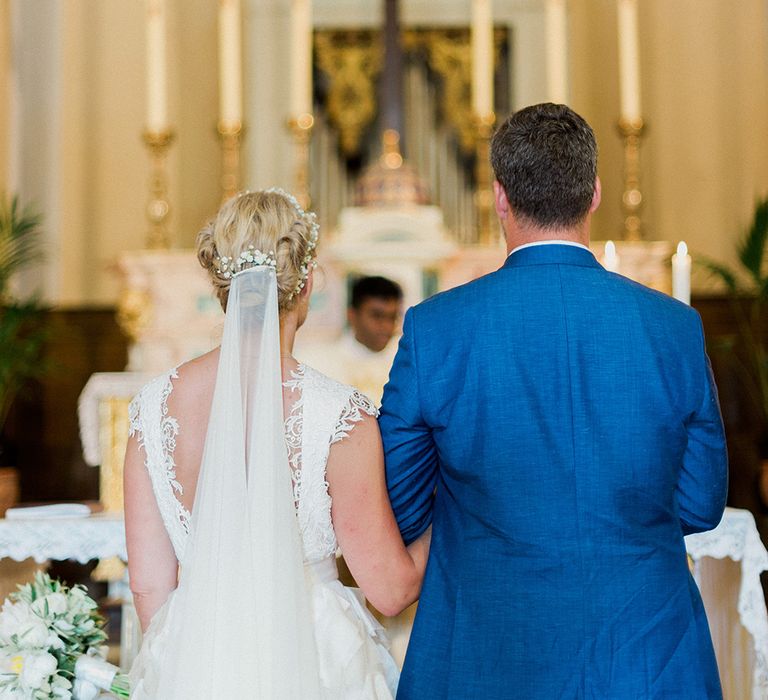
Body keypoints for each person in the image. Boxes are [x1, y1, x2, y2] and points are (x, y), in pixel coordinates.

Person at [379, 103, 728, 699]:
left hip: (486, 657)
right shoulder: (673, 327)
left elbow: (402, 508)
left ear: (499, 197)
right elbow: (700, 503)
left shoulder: (436, 329)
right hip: (645, 656)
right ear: (594, 193)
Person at [124, 189, 431, 699]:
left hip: (196, 659)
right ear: (307, 283)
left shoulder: (149, 411)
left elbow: (148, 588)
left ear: (220, 282)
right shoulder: (340, 416)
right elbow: (391, 589)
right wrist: (448, 510)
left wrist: (192, 658)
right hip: (317, 654)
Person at [300, 275, 403, 406]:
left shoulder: (403, 360)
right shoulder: (323, 363)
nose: (386, 326)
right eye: (377, 316)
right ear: (352, 315)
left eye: (392, 317)